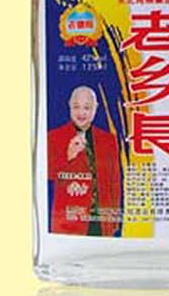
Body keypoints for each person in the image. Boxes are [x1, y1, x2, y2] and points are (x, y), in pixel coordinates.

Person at [48, 86, 121, 236]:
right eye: (76, 107)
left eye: (87, 107)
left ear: (95, 109)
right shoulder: (54, 137)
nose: (81, 113)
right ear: (69, 106)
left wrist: (114, 220)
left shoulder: (108, 140)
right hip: (69, 221)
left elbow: (114, 182)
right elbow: (47, 175)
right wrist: (68, 156)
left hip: (102, 221)